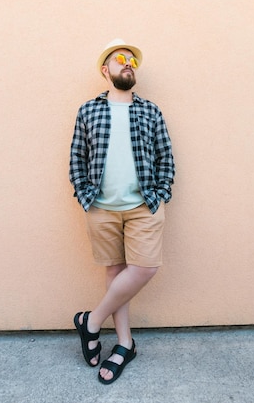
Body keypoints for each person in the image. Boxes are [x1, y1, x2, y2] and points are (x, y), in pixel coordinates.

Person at [69, 39, 175, 384]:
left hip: (143, 206)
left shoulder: (151, 111)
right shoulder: (88, 111)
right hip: (101, 209)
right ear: (106, 70)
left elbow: (165, 157)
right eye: (121, 59)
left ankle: (91, 321)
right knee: (115, 276)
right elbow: (76, 160)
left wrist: (160, 194)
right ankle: (125, 344)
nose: (128, 64)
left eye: (132, 61)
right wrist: (86, 196)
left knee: (144, 269)